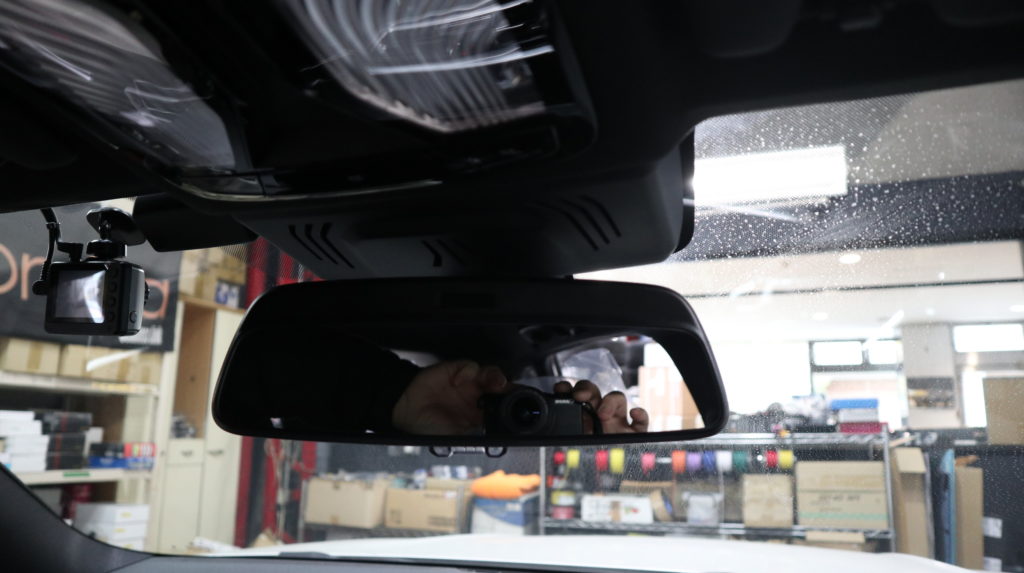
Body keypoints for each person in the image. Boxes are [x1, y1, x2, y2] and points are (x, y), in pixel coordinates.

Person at [224, 331, 649, 436]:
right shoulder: (448, 400)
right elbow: (262, 367)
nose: (527, 414)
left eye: (535, 414)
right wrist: (400, 393)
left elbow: (258, 375)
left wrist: (397, 403)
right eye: (528, 409)